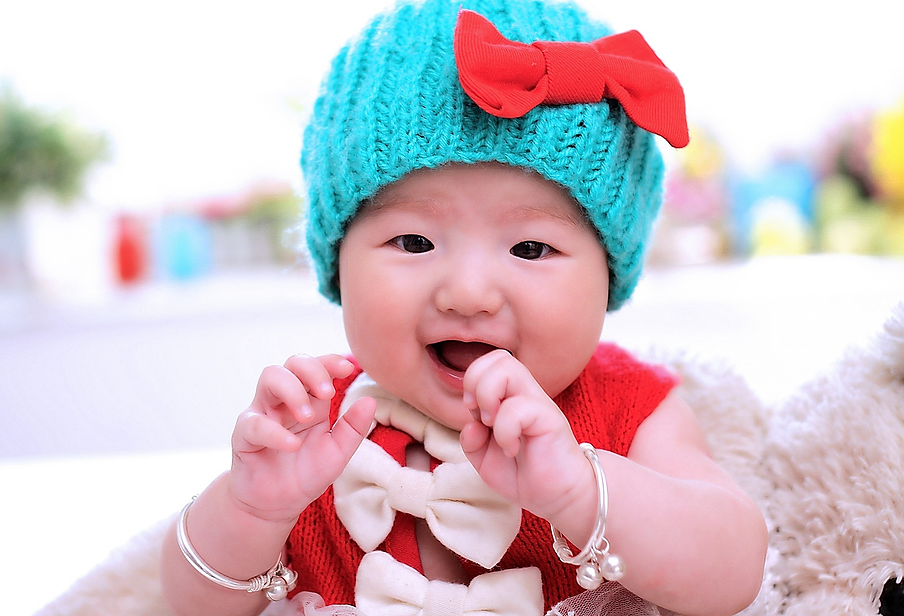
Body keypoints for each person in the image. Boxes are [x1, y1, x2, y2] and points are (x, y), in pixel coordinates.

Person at [160, 1, 768, 615]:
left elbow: (735, 571)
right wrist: (252, 509)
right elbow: (187, 606)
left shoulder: (630, 410)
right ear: (338, 262)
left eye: (531, 248)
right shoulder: (318, 426)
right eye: (414, 242)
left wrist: (582, 492)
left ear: (608, 277)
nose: (469, 294)